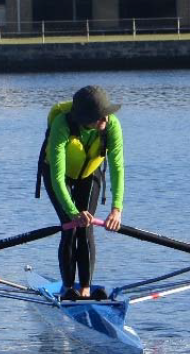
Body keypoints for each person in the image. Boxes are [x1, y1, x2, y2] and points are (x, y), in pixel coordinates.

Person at [39, 85, 124, 301]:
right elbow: (57, 177)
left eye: (105, 114)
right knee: (70, 227)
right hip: (59, 176)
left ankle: (85, 291)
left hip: (89, 173)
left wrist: (117, 209)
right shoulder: (62, 124)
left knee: (85, 230)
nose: (104, 120)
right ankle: (68, 289)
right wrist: (72, 211)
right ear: (84, 118)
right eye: (98, 117)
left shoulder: (112, 126)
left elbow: (117, 167)